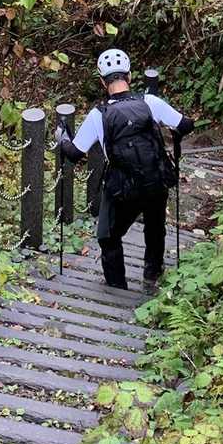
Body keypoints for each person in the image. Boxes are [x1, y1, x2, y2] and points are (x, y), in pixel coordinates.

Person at [57, 49, 194, 292]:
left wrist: (62, 137)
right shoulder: (149, 102)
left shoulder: (98, 115)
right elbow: (186, 125)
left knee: (108, 236)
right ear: (129, 76)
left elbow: (75, 154)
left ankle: (116, 286)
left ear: (102, 82)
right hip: (156, 179)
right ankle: (151, 276)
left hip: (122, 188)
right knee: (155, 226)